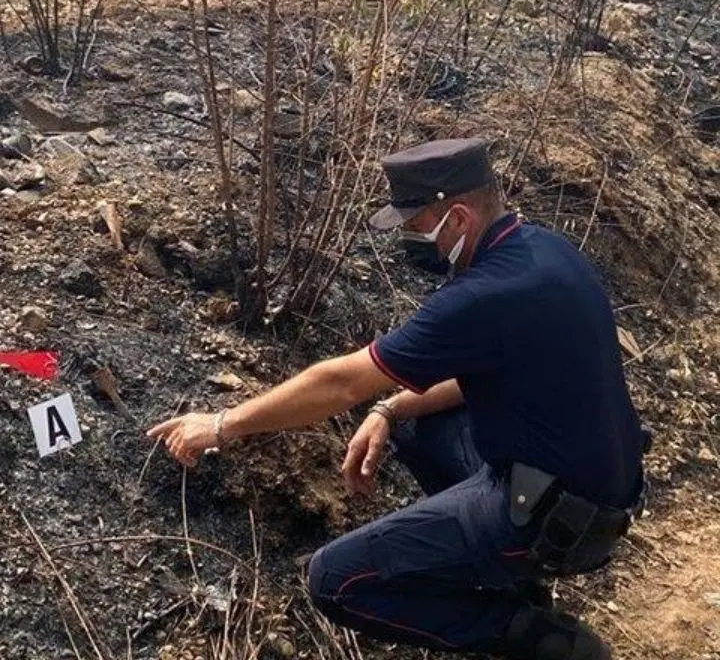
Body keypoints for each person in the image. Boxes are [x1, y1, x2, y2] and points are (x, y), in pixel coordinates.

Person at [147, 138, 648, 659]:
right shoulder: (545, 252)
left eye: (414, 227)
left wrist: (224, 423)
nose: (409, 240)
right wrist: (389, 409)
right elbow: (473, 374)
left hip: (558, 521)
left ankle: (540, 639)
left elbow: (341, 383)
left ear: (456, 217)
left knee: (336, 579)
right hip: (602, 492)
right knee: (411, 419)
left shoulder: (481, 296)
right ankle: (510, 579)